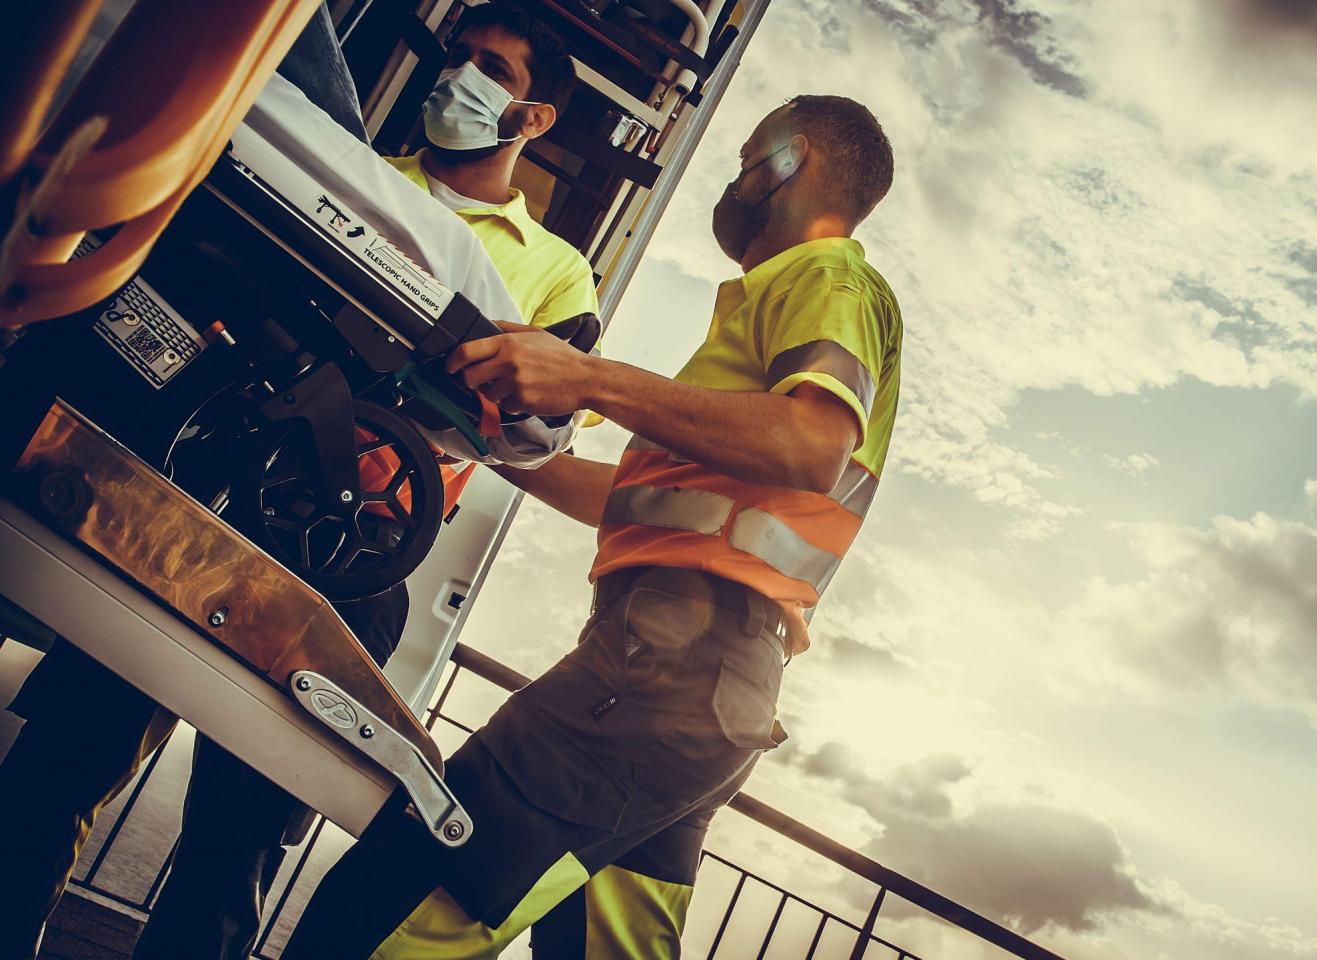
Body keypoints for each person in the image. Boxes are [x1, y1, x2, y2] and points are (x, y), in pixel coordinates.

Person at [281, 92, 901, 960]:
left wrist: (590, 378)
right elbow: (636, 502)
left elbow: (813, 443)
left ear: (789, 162)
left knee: (379, 917)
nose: (737, 175)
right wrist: (486, 441)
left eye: (746, 157)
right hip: (711, 693)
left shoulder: (827, 276)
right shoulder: (781, 312)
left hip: (662, 679)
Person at [126, 5, 598, 959]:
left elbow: (540, 418)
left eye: (491, 70)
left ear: (533, 118)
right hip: (212, 470)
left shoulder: (554, 271)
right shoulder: (351, 178)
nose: (458, 77)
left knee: (237, 830)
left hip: (350, 538)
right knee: (77, 740)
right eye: (455, 56)